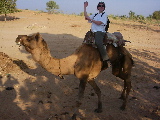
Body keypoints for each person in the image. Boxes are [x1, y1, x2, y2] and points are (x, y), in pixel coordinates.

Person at [84, 1, 109, 69]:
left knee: (98, 42)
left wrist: (91, 20)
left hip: (99, 32)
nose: (101, 7)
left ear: (104, 8)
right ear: (98, 7)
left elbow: (99, 23)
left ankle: (105, 58)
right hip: (93, 31)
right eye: (100, 6)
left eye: (102, 6)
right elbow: (86, 17)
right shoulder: (95, 14)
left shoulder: (104, 15)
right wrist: (85, 7)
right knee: (85, 42)